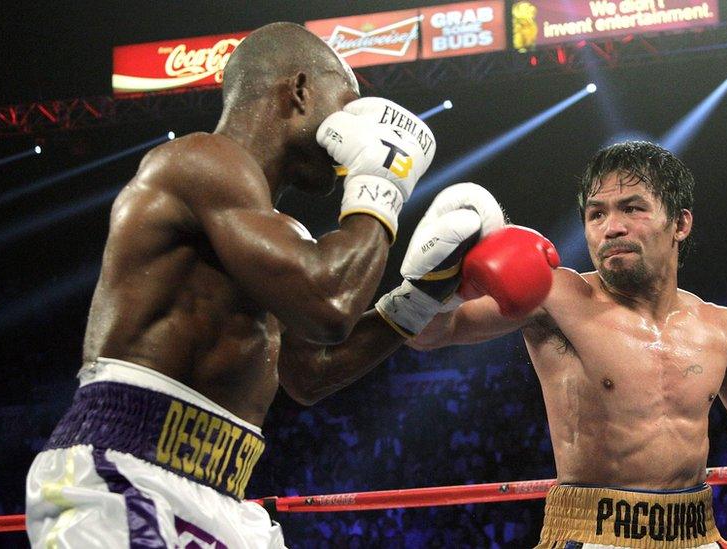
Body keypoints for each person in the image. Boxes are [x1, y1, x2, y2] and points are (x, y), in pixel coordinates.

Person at [23, 21, 452, 548]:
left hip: (221, 492)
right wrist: (384, 182)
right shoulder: (200, 160)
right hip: (123, 470)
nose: (354, 127)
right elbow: (331, 303)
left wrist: (420, 298)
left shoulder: (275, 235)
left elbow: (311, 373)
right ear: (299, 91)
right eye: (346, 102)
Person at [411, 140, 727, 548]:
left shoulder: (722, 327)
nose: (611, 228)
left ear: (680, 223)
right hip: (592, 534)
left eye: (632, 209)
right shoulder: (554, 295)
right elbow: (432, 334)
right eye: (596, 214)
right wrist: (438, 285)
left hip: (695, 534)